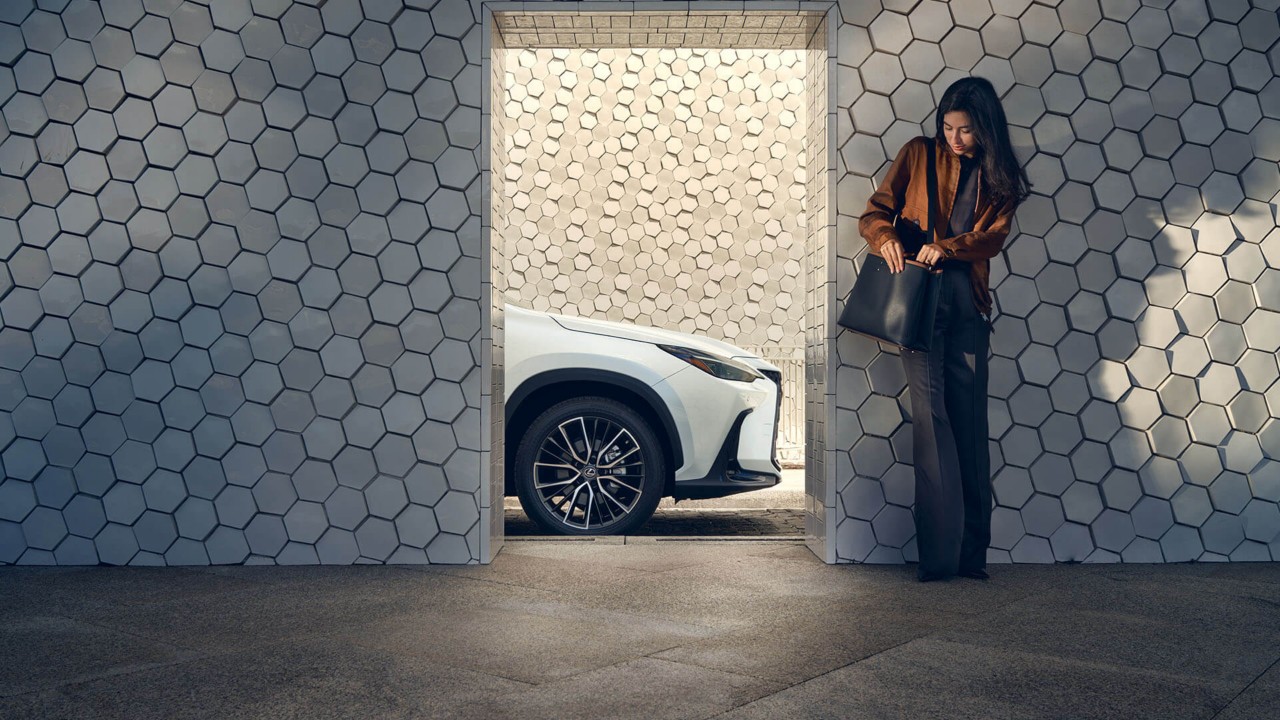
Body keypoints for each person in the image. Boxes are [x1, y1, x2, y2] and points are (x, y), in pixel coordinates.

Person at [857, 77, 1032, 582]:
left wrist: (949, 246)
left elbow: (992, 239)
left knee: (970, 429)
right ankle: (937, 560)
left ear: (986, 130)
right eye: (948, 128)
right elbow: (874, 212)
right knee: (931, 425)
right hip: (918, 303)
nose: (955, 139)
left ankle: (970, 558)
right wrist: (886, 237)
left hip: (968, 307)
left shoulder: (1001, 175)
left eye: (967, 130)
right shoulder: (916, 153)